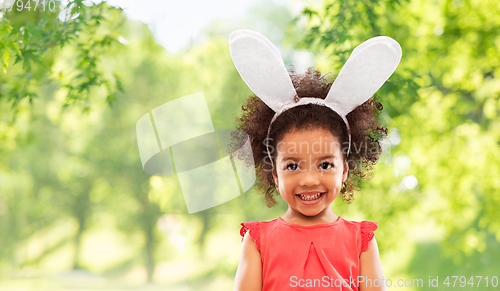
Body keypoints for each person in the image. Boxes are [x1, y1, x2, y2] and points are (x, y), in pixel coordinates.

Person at [228, 29, 401, 291]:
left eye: (325, 164)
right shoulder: (257, 241)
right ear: (275, 174)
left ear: (344, 170)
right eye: (292, 166)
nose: (309, 180)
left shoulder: (362, 241)